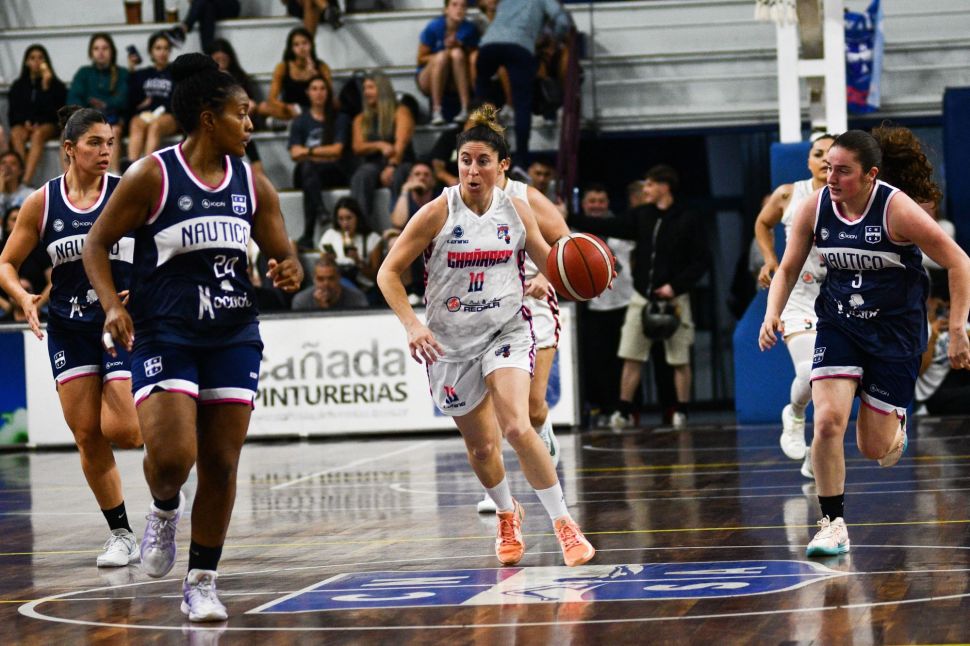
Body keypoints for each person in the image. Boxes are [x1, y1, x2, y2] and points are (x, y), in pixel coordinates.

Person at [82, 53, 303, 621]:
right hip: (166, 333)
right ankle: (163, 509)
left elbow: (283, 252)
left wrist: (288, 268)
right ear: (209, 118)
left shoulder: (252, 182)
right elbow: (96, 243)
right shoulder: (152, 176)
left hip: (233, 333)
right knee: (173, 457)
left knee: (222, 463)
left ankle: (201, 581)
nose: (250, 124)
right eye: (241, 114)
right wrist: (112, 306)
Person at [377, 105, 594, 567]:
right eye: (465, 161)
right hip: (450, 343)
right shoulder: (436, 212)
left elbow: (552, 261)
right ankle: (506, 513)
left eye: (482, 161)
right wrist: (413, 324)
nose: (473, 171)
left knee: (516, 424)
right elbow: (387, 273)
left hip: (506, 329)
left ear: (502, 166)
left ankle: (564, 524)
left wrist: (582, 275)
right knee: (481, 446)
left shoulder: (516, 209)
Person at [758, 129, 970, 557]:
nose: (831, 178)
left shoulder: (897, 209)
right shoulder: (814, 206)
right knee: (827, 421)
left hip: (895, 332)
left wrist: (959, 327)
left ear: (870, 175)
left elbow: (959, 261)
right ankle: (832, 524)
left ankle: (893, 424)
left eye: (842, 171)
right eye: (828, 168)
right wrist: (771, 312)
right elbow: (788, 267)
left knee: (873, 447)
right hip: (840, 323)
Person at [0, 106, 143, 569]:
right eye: (94, 143)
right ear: (69, 148)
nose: (105, 151)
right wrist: (22, 296)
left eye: (110, 143)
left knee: (124, 430)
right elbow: (6, 263)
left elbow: (163, 250)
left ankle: (170, 464)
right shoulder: (43, 202)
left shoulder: (126, 192)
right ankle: (122, 534)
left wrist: (143, 289)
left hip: (119, 322)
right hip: (69, 327)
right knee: (86, 434)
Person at [574, 165, 710, 431]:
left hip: (675, 299)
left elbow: (701, 260)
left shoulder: (688, 218)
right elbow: (608, 224)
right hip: (642, 297)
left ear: (664, 186)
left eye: (649, 184)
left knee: (678, 357)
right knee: (631, 353)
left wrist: (675, 286)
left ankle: (681, 410)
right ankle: (624, 411)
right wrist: (569, 216)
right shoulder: (642, 215)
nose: (645, 189)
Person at [754, 133, 834, 476]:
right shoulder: (789, 193)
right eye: (818, 153)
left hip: (837, 300)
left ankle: (814, 456)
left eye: (832, 154)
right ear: (808, 161)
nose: (825, 159)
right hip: (797, 297)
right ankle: (795, 413)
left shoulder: (852, 199)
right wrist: (770, 259)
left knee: (832, 387)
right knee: (810, 372)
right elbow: (763, 223)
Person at [474, 0, 571, 166]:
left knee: (482, 93)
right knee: (522, 105)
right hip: (520, 47)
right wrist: (555, 40)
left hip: (488, 46)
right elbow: (562, 21)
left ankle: (481, 139)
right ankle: (521, 159)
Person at [579, 184, 635, 426]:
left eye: (601, 201)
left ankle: (627, 410)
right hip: (593, 306)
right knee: (597, 362)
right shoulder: (575, 231)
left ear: (608, 203)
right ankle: (602, 409)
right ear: (583, 205)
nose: (597, 206)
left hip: (624, 302)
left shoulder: (621, 227)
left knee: (626, 359)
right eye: (592, 201)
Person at [288, 75, 349, 250]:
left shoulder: (340, 118)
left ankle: (308, 235)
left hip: (332, 172)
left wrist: (308, 152)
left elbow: (337, 151)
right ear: (307, 93)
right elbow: (294, 153)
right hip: (308, 171)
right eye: (314, 89)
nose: (319, 93)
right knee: (308, 171)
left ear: (328, 92)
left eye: (322, 88)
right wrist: (323, 154)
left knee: (309, 173)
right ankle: (320, 210)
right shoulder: (300, 121)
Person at [349, 72, 415, 232]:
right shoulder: (360, 119)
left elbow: (400, 144)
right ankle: (360, 229)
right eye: (365, 88)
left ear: (382, 89)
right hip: (374, 164)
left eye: (371, 87)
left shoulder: (401, 111)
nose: (366, 92)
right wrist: (379, 145)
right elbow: (357, 147)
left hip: (401, 161)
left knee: (399, 174)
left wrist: (392, 165)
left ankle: (400, 228)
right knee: (362, 175)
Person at [67, 34, 128, 174]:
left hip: (113, 121)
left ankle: (113, 176)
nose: (100, 52)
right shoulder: (84, 73)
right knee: (67, 133)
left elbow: (124, 100)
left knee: (112, 131)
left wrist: (105, 105)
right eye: (96, 48)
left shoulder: (122, 73)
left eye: (105, 48)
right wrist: (86, 115)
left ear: (112, 52)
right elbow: (73, 99)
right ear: (91, 53)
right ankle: (71, 179)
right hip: (86, 120)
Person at [8, 45, 68, 186]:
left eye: (40, 58)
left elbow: (56, 112)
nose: (36, 61)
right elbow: (13, 112)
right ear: (26, 62)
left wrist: (46, 87)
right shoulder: (18, 85)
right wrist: (25, 122)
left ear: (46, 61)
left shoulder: (56, 85)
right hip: (25, 124)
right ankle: (18, 177)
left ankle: (25, 181)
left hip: (48, 124)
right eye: (32, 58)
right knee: (16, 133)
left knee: (38, 134)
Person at [207, 38, 266, 180]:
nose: (221, 62)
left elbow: (251, 102)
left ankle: (258, 180)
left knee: (242, 134)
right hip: (214, 124)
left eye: (223, 58)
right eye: (217, 59)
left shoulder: (240, 76)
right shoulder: (204, 80)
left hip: (236, 122)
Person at [417, 0, 480, 125]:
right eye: (454, 5)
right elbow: (421, 58)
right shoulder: (434, 27)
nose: (459, 9)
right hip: (430, 76)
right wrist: (444, 53)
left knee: (457, 53)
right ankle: (436, 110)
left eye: (463, 6)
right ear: (446, 9)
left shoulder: (469, 29)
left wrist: (461, 46)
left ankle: (465, 107)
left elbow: (474, 57)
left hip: (456, 77)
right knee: (442, 57)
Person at [257, 27, 333, 124]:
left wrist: (315, 76)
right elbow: (272, 99)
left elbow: (330, 95)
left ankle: (287, 122)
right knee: (262, 107)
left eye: (305, 43)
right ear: (291, 48)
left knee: (335, 107)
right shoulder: (283, 67)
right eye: (296, 44)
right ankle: (290, 121)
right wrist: (286, 107)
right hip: (291, 110)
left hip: (315, 108)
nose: (301, 48)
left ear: (311, 45)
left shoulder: (321, 67)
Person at [126, 32, 177, 164]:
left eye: (166, 48)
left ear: (170, 51)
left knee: (155, 125)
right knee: (135, 123)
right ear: (151, 51)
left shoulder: (176, 72)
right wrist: (131, 69)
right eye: (158, 48)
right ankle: (131, 169)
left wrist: (153, 103)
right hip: (147, 114)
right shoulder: (143, 74)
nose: (162, 52)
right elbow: (133, 100)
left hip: (168, 116)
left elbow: (176, 100)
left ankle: (147, 170)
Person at [318, 196, 381, 296]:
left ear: (357, 217)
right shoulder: (330, 235)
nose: (345, 223)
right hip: (336, 284)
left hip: (363, 287)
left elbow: (376, 277)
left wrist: (358, 261)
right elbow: (321, 269)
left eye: (349, 218)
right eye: (341, 219)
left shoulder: (372, 238)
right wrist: (329, 260)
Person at [291, 254, 368, 310]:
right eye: (320, 279)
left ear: (339, 278)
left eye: (331, 278)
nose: (326, 284)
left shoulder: (357, 299)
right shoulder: (301, 301)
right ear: (314, 279)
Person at [167, 0, 241, 53]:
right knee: (208, 8)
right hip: (212, 8)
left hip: (230, 6)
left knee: (205, 4)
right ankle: (208, 53)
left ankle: (183, 28)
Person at [0, 151, 35, 216]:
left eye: (13, 163)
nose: (7, 167)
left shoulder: (29, 194)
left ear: (20, 171)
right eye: (3, 163)